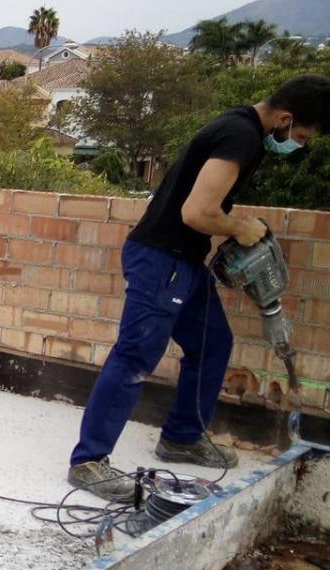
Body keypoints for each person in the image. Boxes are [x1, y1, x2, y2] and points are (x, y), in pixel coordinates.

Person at [68, 74, 330, 503]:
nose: (298, 144)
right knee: (135, 356)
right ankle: (88, 462)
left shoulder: (241, 128)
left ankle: (182, 438)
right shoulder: (241, 135)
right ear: (285, 119)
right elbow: (197, 212)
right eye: (300, 135)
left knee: (212, 343)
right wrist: (239, 227)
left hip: (185, 261)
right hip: (161, 259)